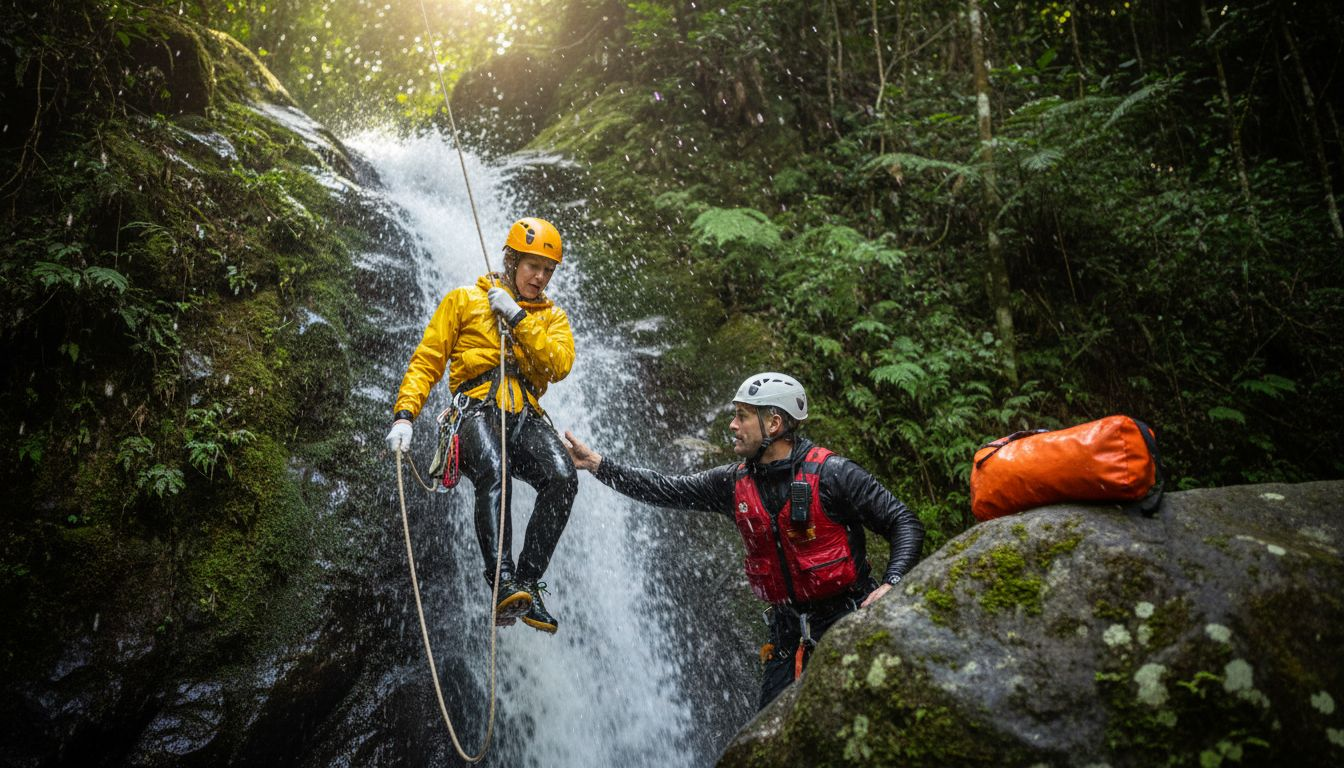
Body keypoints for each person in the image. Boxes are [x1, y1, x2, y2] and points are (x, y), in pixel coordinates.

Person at [563, 372, 924, 708]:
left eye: (742, 416)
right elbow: (665, 489)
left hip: (847, 621)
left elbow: (903, 521)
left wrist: (892, 583)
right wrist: (598, 464)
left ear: (774, 423)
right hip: (787, 636)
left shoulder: (833, 474)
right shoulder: (731, 483)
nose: (733, 426)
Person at [385, 217, 577, 634]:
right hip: (472, 409)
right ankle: (501, 581)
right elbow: (428, 359)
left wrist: (520, 321)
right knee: (494, 468)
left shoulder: (551, 319)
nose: (540, 278)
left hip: (523, 413)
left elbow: (558, 365)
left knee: (562, 477)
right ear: (511, 261)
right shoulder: (465, 300)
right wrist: (405, 415)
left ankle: (526, 583)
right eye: (532, 267)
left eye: (548, 271)